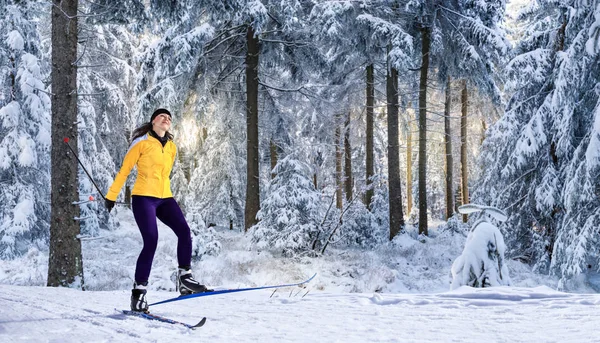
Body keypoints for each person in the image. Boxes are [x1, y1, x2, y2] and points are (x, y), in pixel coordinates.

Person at [104, 108, 211, 312]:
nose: (166, 119)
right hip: (143, 197)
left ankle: (184, 279)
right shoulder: (141, 143)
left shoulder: (171, 147)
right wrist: (111, 196)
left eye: (169, 118)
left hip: (165, 198)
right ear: (153, 121)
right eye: (162, 116)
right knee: (151, 241)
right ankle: (138, 295)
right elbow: (125, 170)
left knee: (184, 232)